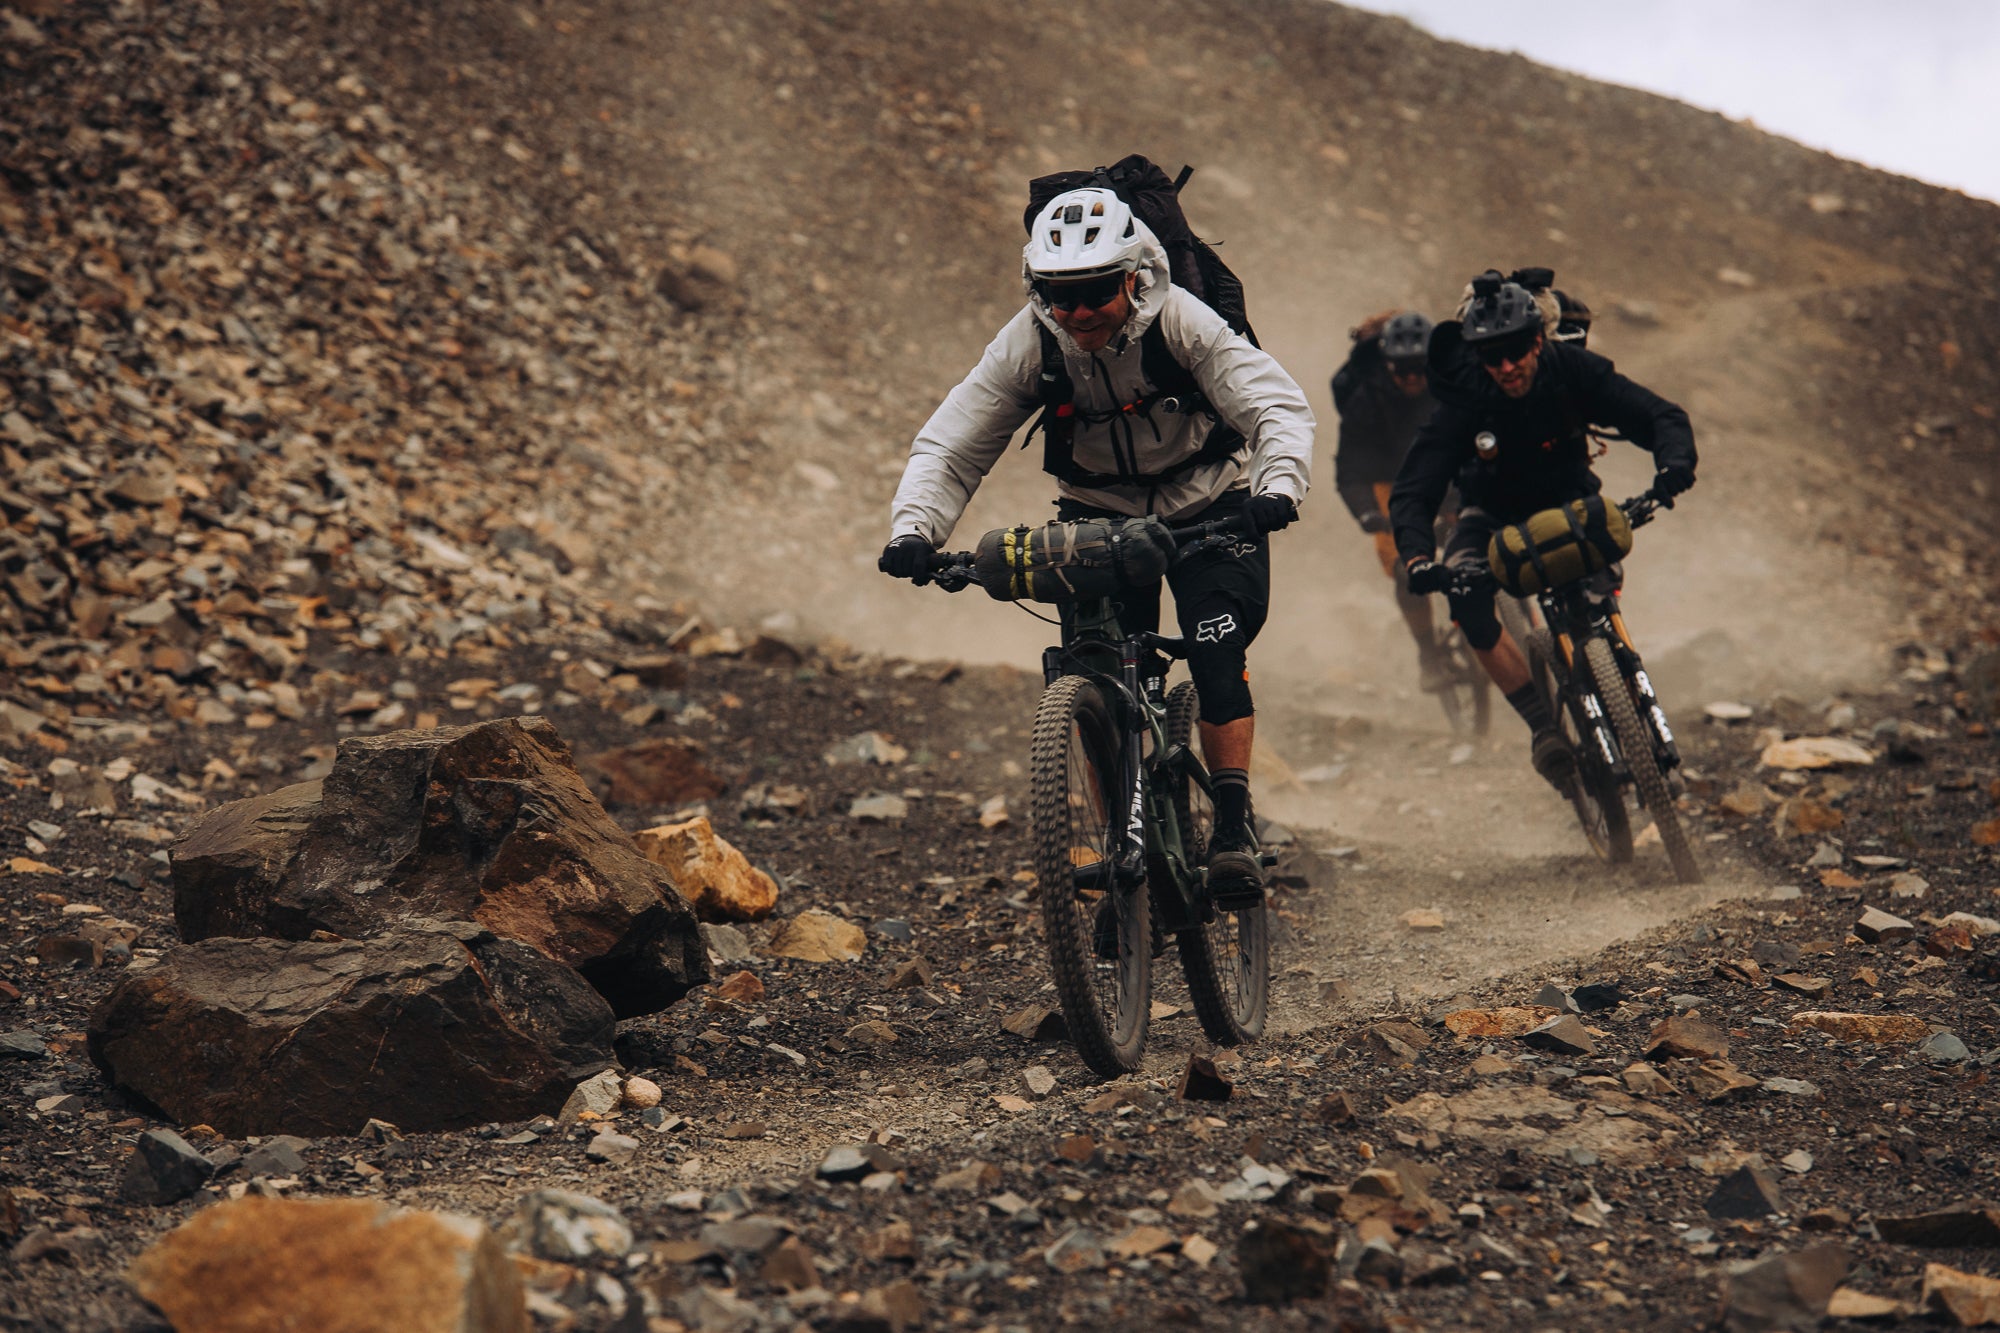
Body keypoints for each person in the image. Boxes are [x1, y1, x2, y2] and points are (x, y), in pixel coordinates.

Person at [878, 186, 1315, 905]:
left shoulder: (1181, 321)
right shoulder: (1031, 339)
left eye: (1093, 292)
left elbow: (1273, 404)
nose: (1077, 312)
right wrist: (914, 531)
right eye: (1059, 295)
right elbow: (954, 443)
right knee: (1096, 681)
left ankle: (1234, 829)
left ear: (1132, 278)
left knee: (1214, 649)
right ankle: (1126, 866)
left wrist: (1277, 489)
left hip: (1210, 508)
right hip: (1097, 517)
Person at [1389, 270, 1696, 788]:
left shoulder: (1572, 368)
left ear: (1537, 340)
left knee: (1599, 592)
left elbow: (1654, 414)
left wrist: (1673, 467)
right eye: (1492, 357)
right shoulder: (1465, 398)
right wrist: (1419, 558)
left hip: (1573, 500)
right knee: (1466, 603)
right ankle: (1542, 728)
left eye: (1515, 352)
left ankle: (1616, 665)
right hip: (1489, 515)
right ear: (1476, 355)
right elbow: (1414, 489)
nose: (1506, 368)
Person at [1329, 309, 1447, 689]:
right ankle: (1428, 653)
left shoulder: (1450, 387)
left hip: (1442, 473)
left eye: (1419, 368)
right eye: (1402, 369)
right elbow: (1350, 468)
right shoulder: (1367, 399)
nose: (1412, 377)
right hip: (1388, 484)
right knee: (1405, 570)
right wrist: (1367, 514)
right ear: (1387, 365)